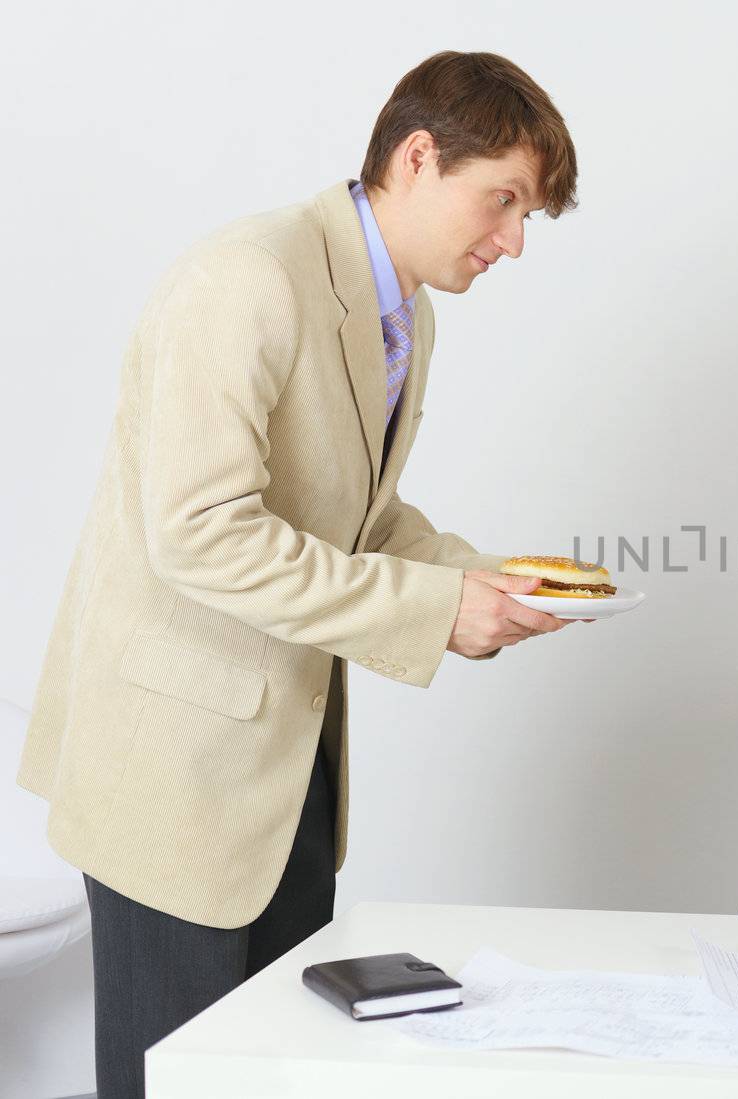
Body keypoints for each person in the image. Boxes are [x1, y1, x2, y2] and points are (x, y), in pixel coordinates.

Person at [15, 51, 578, 1098]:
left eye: (527, 216)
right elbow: (201, 531)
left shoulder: (407, 313)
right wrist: (434, 609)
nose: (510, 240)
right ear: (417, 157)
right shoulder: (246, 278)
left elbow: (352, 517)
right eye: (501, 200)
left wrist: (495, 581)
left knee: (274, 1076)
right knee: (170, 1084)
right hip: (176, 781)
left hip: (289, 774)